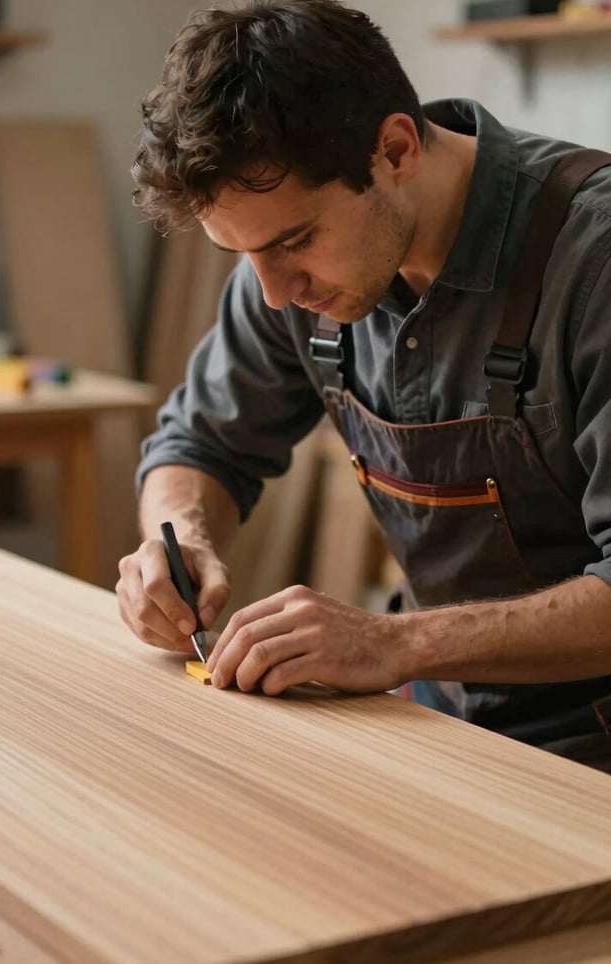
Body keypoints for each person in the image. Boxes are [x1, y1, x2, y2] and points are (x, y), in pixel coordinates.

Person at [116, 0, 611, 771]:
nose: (274, 293)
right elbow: (198, 443)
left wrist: (394, 642)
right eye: (243, 255)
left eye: (294, 242)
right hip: (441, 723)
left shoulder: (594, 263)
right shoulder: (289, 271)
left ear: (396, 148)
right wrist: (178, 541)